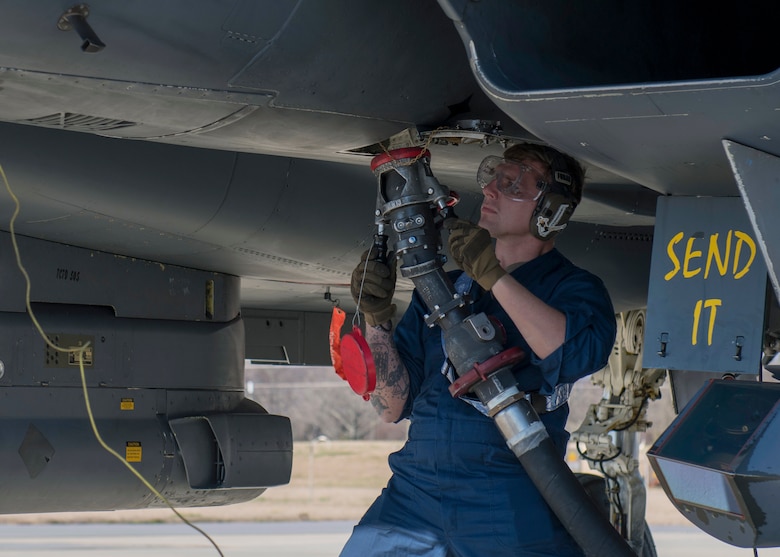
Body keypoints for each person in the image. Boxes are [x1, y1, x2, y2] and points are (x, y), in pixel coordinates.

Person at [340, 143, 617, 557]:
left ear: (551, 210)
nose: (490, 190)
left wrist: (492, 274)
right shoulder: (443, 288)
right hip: (417, 487)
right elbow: (391, 406)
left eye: (512, 184)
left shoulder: (574, 289)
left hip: (507, 489)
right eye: (493, 179)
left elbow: (573, 351)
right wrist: (375, 316)